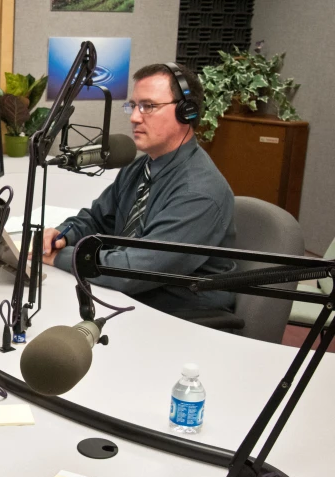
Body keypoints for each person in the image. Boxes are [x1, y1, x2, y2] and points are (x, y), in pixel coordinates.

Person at [41, 63, 236, 314]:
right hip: (134, 298)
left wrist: (60, 258)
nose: (134, 117)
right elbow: (97, 219)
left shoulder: (199, 193)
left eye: (149, 106)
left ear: (186, 112)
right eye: (133, 106)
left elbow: (134, 270)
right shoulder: (142, 167)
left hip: (179, 318)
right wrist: (62, 234)